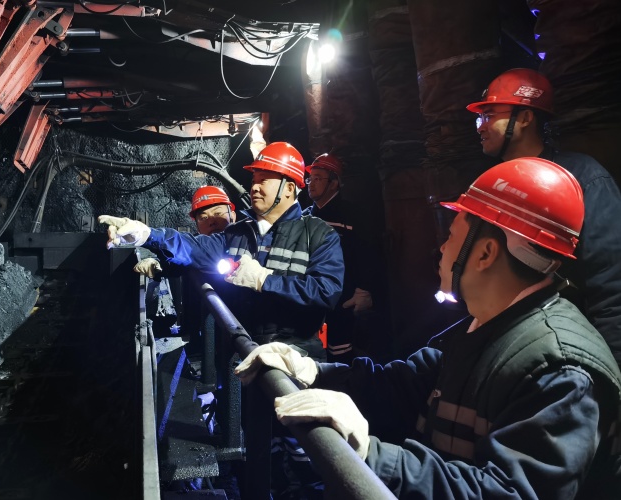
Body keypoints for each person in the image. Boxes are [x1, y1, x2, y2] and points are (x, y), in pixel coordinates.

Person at [234, 157, 621, 499]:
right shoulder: (481, 330)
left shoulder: (560, 369)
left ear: (486, 253)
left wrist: (370, 452)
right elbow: (398, 387)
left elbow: (509, 492)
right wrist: (311, 372)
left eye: (451, 236)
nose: (440, 249)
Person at [98, 141, 343, 359]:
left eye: (263, 180)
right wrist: (147, 235)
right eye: (254, 181)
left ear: (289, 188)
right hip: (239, 352)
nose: (254, 187)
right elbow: (193, 246)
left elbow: (327, 291)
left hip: (295, 356)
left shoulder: (319, 234)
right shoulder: (237, 234)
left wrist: (265, 280)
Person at [468, 67, 621, 367]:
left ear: (525, 117)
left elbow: (612, 287)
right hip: (514, 353)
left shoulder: (581, 178)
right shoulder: (491, 186)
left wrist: (611, 374)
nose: (480, 127)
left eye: (489, 115)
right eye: (479, 118)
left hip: (571, 352)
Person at [303, 153, 378, 363]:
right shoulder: (304, 217)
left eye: (318, 178)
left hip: (343, 300)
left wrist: (363, 290)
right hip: (311, 299)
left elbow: (367, 255)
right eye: (310, 179)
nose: (311, 184)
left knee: (340, 355)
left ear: (334, 183)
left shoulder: (352, 216)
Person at [133, 185, 237, 278]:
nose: (211, 222)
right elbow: (181, 256)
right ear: (197, 226)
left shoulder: (244, 241)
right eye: (203, 218)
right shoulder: (194, 249)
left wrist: (146, 234)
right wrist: (159, 264)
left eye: (218, 213)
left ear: (233, 216)